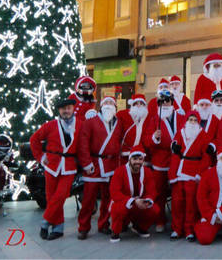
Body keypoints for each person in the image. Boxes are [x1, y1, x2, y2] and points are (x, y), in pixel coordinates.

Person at [30, 95, 80, 240]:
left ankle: (45, 223)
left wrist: (86, 164)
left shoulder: (80, 124)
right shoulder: (50, 125)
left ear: (73, 109)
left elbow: (82, 147)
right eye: (63, 109)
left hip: (69, 167)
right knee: (51, 197)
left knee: (60, 196)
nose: (66, 111)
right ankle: (58, 228)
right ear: (59, 111)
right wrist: (40, 157)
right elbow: (34, 139)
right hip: (51, 165)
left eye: (69, 108)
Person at [77, 96, 122, 239]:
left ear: (115, 107)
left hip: (111, 165)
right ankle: (83, 227)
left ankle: (103, 225)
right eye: (106, 103)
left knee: (108, 199)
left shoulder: (118, 123)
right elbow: (83, 144)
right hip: (94, 165)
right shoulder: (90, 122)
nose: (108, 105)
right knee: (88, 199)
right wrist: (86, 163)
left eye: (111, 103)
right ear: (101, 106)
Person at [144, 89, 185, 232]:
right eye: (162, 102)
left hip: (177, 161)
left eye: (168, 101)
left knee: (177, 193)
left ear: (172, 102)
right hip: (160, 161)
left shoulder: (181, 118)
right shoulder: (154, 119)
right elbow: (146, 140)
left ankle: (177, 222)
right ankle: (160, 220)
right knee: (159, 193)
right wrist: (154, 137)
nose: (165, 103)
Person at [169, 111, 212, 241]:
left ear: (198, 122)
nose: (192, 122)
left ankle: (189, 229)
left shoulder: (203, 135)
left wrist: (200, 173)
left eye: (195, 120)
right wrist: (174, 146)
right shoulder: (181, 132)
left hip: (193, 172)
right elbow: (175, 148)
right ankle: (177, 228)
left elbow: (206, 157)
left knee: (191, 203)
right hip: (179, 172)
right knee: (177, 202)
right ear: (186, 121)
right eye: (190, 119)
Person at [108, 146, 159, 242]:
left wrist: (147, 200)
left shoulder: (147, 171)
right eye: (135, 159)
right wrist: (133, 201)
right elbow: (114, 193)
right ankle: (115, 231)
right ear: (129, 159)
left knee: (154, 209)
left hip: (139, 202)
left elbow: (152, 191)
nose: (138, 162)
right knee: (118, 209)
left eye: (140, 159)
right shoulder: (120, 171)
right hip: (123, 202)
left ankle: (139, 227)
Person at [117, 94, 149, 163]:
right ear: (132, 105)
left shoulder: (148, 118)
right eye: (136, 103)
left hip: (140, 153)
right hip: (125, 153)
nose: (139, 105)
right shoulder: (122, 114)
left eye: (141, 103)